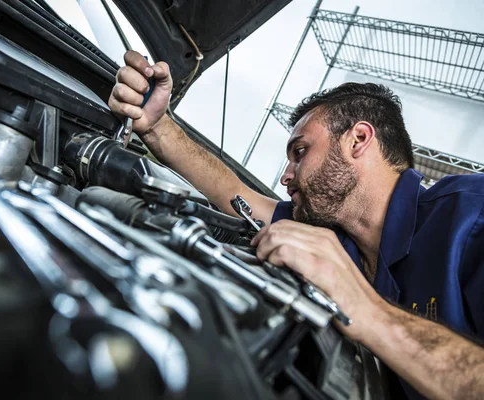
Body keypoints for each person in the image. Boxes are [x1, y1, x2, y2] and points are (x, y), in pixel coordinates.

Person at [108, 50, 484, 399]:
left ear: (359, 140)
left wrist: (365, 308)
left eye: (300, 152)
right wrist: (158, 127)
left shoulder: (470, 216)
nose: (286, 176)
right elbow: (237, 196)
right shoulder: (336, 237)